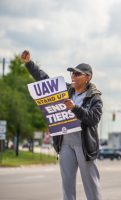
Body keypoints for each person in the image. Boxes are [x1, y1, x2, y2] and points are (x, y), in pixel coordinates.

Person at [21, 50, 103, 200]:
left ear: (87, 78)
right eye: (72, 73)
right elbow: (44, 80)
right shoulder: (65, 90)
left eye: (78, 74)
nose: (73, 76)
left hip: (83, 145)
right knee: (67, 186)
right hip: (65, 143)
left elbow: (93, 119)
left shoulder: (95, 98)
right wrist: (29, 63)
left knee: (91, 185)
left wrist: (75, 108)